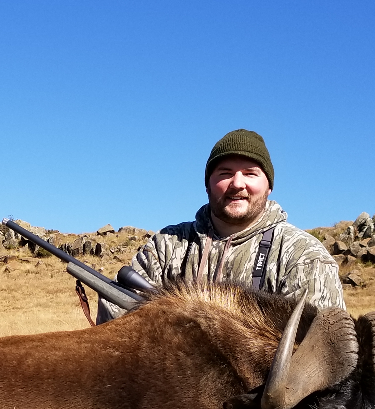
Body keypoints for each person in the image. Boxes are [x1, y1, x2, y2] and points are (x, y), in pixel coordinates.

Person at [98, 129, 346, 323]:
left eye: (250, 173)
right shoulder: (166, 245)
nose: (237, 184)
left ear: (269, 186)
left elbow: (321, 354)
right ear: (207, 184)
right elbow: (115, 328)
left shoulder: (303, 257)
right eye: (225, 173)